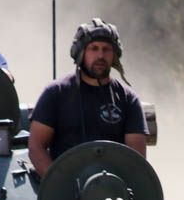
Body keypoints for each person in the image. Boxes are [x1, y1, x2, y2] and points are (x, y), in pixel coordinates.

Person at [28, 18, 148, 177]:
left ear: (115, 54)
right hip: (66, 185)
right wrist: (57, 183)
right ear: (80, 52)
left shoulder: (127, 99)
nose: (100, 55)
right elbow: (36, 147)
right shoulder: (56, 93)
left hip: (115, 190)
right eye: (94, 48)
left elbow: (135, 159)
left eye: (106, 49)